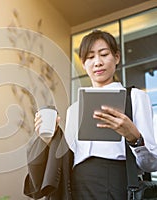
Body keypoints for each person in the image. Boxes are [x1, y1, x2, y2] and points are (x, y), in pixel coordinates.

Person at [28, 30, 157, 199]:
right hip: (76, 185)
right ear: (83, 64)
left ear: (117, 58)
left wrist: (134, 138)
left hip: (117, 182)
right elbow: (66, 159)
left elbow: (151, 163)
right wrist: (50, 138)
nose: (97, 62)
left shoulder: (134, 97)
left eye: (104, 54)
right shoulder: (74, 109)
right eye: (90, 57)